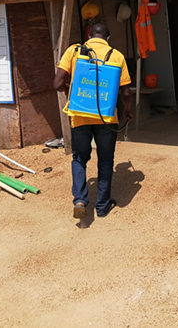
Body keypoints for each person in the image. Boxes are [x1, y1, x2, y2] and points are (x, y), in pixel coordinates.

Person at [53, 23, 133, 219]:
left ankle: (80, 201)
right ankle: (102, 206)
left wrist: (69, 92)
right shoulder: (117, 56)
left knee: (79, 158)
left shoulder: (74, 51)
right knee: (105, 160)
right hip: (106, 118)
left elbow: (57, 84)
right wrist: (127, 111)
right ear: (108, 38)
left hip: (79, 116)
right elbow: (125, 92)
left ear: (89, 36)